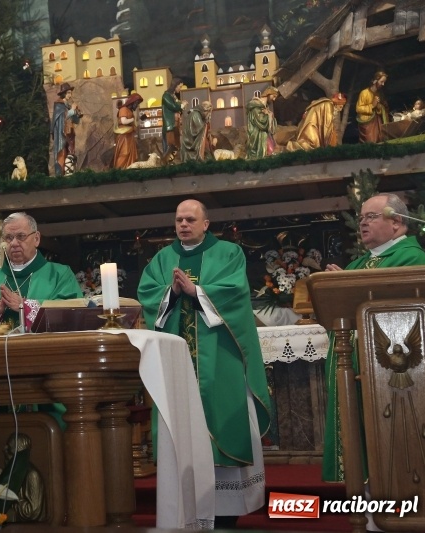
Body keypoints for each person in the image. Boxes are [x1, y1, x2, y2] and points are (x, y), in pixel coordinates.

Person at [137, 200, 272, 527]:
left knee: (221, 421)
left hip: (220, 360)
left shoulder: (228, 253)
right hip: (176, 363)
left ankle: (226, 511)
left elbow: (235, 293)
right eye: (179, 220)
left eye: (190, 219)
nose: (183, 225)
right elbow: (148, 295)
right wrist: (172, 292)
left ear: (206, 224)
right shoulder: (162, 259)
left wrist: (196, 291)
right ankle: (186, 506)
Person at [322, 193, 425, 484]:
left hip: (394, 373)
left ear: (396, 222)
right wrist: (339, 283)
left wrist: (345, 283)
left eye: (371, 217)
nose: (362, 223)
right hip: (357, 367)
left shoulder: (412, 259)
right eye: (361, 218)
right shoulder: (359, 265)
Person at [0, 212, 82, 331]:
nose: (14, 243)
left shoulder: (60, 275)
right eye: (9, 238)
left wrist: (25, 306)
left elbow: (73, 310)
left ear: (36, 239)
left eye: (21, 236)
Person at [51, 83, 81, 176]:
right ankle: (60, 174)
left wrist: (76, 113)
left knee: (70, 152)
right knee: (62, 152)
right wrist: (72, 110)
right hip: (62, 133)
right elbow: (64, 116)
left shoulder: (67, 105)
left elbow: (75, 120)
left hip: (70, 133)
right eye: (68, 93)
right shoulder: (59, 104)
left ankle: (69, 171)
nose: (70, 95)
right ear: (63, 93)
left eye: (70, 93)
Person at [356, 71, 389, 143]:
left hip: (377, 122)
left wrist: (380, 107)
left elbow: (382, 108)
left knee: (380, 140)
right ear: (375, 81)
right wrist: (372, 105)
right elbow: (358, 109)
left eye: (384, 82)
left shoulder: (379, 94)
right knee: (370, 142)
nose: (383, 84)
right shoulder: (364, 93)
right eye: (381, 82)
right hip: (367, 124)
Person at [246, 86, 279, 159]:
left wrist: (270, 115)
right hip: (258, 137)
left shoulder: (264, 107)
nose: (274, 99)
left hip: (265, 134)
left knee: (273, 152)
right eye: (274, 96)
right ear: (269, 93)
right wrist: (269, 116)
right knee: (271, 152)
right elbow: (261, 122)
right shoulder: (255, 106)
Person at [113, 93, 143, 169]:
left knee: (131, 153)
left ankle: (129, 168)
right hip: (124, 136)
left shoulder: (130, 111)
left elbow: (133, 124)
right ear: (132, 102)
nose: (137, 106)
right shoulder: (123, 109)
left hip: (129, 135)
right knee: (124, 153)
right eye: (136, 103)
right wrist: (132, 119)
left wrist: (140, 121)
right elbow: (124, 121)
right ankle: (120, 170)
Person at [161, 78, 184, 163]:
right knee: (170, 145)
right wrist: (181, 105)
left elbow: (177, 107)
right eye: (179, 87)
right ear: (175, 85)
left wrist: (181, 106)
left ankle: (172, 162)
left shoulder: (173, 96)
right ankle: (165, 162)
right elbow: (173, 106)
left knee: (176, 145)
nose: (180, 89)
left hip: (175, 124)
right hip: (170, 124)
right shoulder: (166, 96)